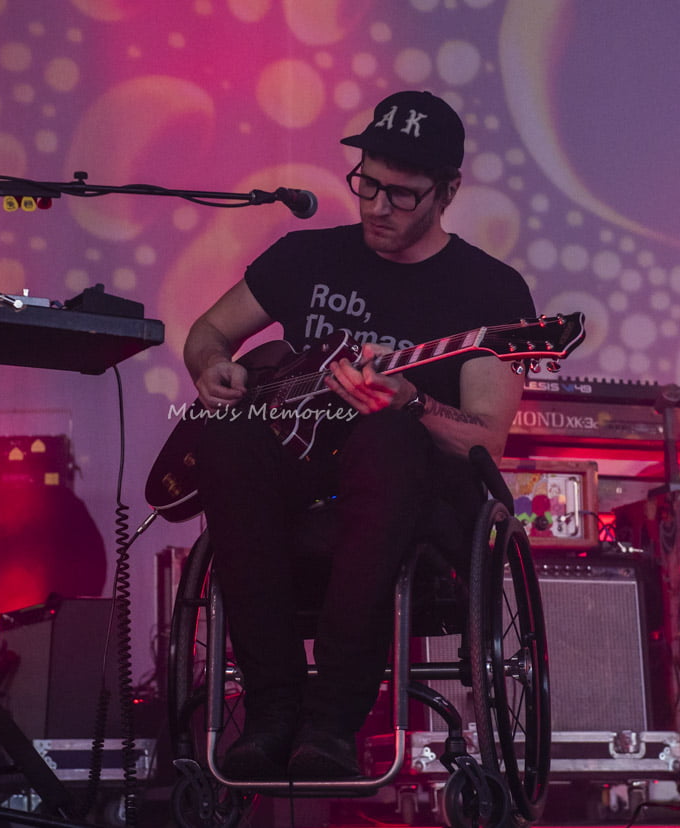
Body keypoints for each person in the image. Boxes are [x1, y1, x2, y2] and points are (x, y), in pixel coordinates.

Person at [182, 90, 536, 780]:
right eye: (366, 184)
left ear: (448, 192)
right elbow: (208, 331)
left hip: (412, 500)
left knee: (386, 438)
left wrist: (411, 401)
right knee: (226, 436)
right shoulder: (305, 258)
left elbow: (486, 440)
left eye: (401, 195)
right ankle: (272, 710)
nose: (376, 207)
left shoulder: (490, 292)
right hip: (299, 487)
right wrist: (213, 366)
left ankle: (332, 721)